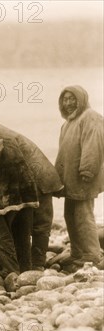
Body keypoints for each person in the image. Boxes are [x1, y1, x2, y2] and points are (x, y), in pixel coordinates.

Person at [0, 108, 64, 270]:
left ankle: (35, 265)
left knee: (38, 226)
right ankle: (29, 266)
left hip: (34, 178)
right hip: (30, 179)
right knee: (28, 223)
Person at [54, 86, 104, 269]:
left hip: (84, 178)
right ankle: (77, 253)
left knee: (84, 216)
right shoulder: (68, 123)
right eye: (65, 99)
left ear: (81, 99)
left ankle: (92, 255)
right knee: (70, 215)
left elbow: (93, 144)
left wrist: (88, 171)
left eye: (72, 99)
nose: (68, 103)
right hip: (69, 180)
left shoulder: (90, 117)